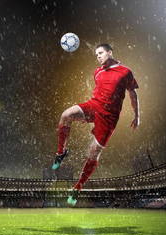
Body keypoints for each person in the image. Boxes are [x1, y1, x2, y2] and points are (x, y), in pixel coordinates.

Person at [52, 43, 140, 205]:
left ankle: (78, 187)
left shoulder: (125, 72)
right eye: (96, 54)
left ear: (110, 52)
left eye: (100, 53)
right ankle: (60, 153)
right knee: (66, 115)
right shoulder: (97, 72)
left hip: (109, 118)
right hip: (94, 106)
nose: (98, 56)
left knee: (93, 152)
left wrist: (137, 115)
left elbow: (133, 94)